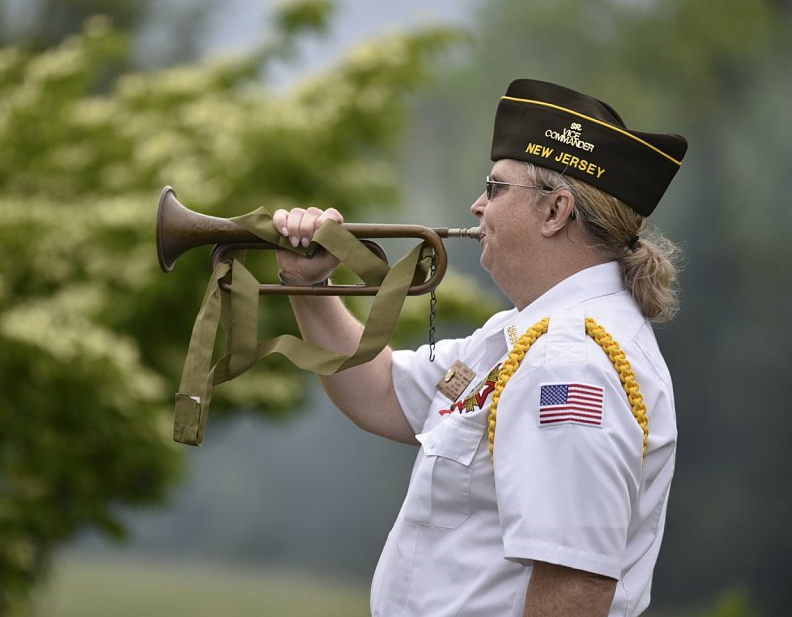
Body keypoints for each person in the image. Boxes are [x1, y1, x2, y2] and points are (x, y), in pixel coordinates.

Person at [272, 79, 687, 616]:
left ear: (555, 211)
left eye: (495, 188)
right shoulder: (517, 336)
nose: (476, 206)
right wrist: (309, 288)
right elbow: (381, 394)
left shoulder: (568, 362)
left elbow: (574, 585)